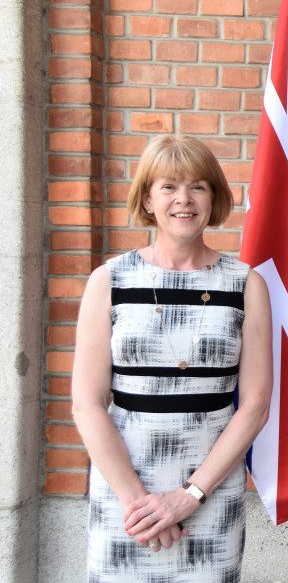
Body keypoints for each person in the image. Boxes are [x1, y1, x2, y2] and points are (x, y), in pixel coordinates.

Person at [72, 134, 273, 581]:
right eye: (168, 186)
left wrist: (188, 496)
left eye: (199, 186)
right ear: (147, 197)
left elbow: (255, 406)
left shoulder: (246, 285)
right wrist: (138, 504)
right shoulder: (110, 281)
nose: (184, 199)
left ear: (214, 197)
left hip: (210, 493)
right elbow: (86, 404)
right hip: (126, 497)